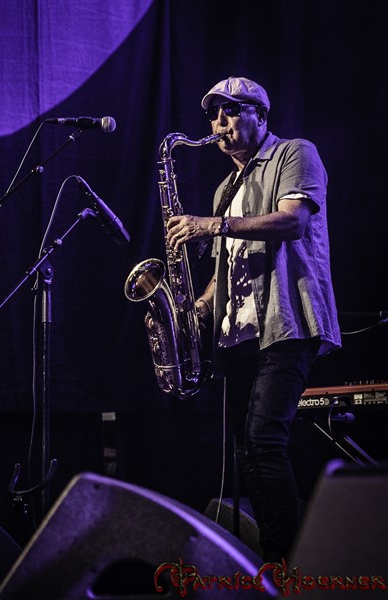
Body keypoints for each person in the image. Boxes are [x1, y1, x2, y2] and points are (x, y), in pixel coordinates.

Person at [166, 76, 341, 563]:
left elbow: (293, 222)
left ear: (261, 116)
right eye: (213, 115)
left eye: (231, 111)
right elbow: (227, 265)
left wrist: (212, 224)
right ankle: (267, 561)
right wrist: (195, 309)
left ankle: (288, 564)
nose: (219, 123)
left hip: (287, 324)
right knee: (247, 452)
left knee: (265, 442)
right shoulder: (225, 188)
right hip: (238, 337)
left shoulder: (294, 153)